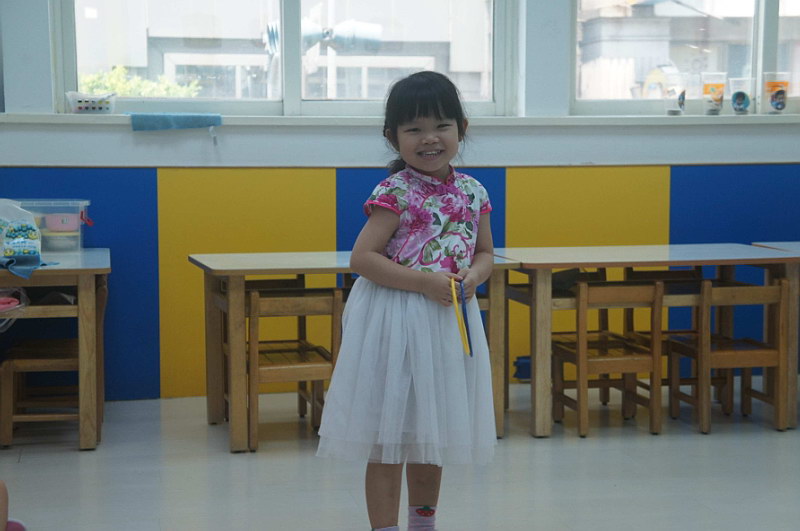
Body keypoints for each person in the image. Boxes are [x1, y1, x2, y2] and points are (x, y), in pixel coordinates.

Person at [316, 70, 496, 531]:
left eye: (441, 126)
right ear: (392, 137)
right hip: (394, 320)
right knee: (388, 435)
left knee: (431, 431)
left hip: (446, 321)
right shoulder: (394, 192)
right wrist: (422, 283)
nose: (429, 138)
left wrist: (475, 276)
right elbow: (363, 258)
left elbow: (484, 252)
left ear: (462, 129)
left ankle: (422, 524)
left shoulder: (474, 191)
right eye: (414, 128)